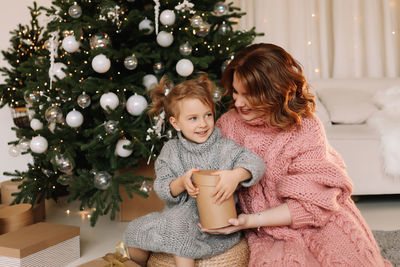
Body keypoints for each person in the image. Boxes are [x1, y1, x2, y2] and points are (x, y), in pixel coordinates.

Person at [200, 43, 392, 267]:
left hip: (322, 219)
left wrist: (251, 220)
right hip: (265, 230)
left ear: (274, 91)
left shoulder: (306, 127)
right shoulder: (229, 125)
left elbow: (312, 206)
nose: (239, 102)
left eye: (248, 95)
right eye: (235, 91)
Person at [123, 74, 265, 267]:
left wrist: (236, 175)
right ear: (176, 123)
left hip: (213, 224)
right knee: (135, 230)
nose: (203, 124)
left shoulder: (225, 147)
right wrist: (181, 182)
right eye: (193, 118)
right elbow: (163, 185)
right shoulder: (171, 151)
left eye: (208, 115)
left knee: (180, 230)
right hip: (175, 215)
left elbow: (255, 162)